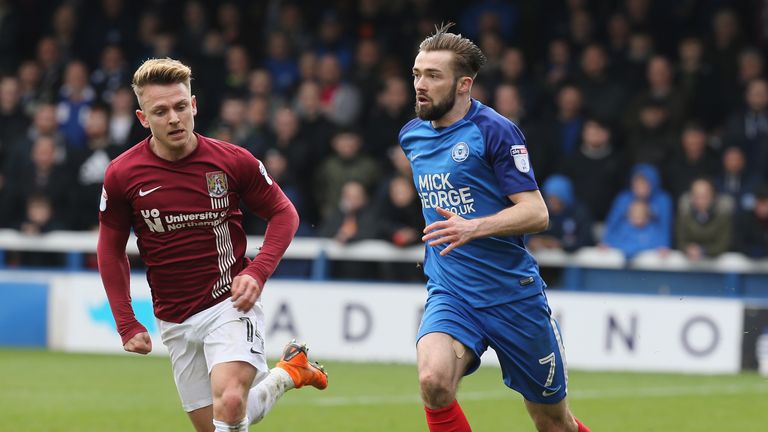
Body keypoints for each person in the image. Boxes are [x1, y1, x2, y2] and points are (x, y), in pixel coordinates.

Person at [96, 58, 327, 432]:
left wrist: (257, 272)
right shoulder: (123, 174)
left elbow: (285, 214)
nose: (174, 118)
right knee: (218, 421)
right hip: (174, 316)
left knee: (231, 400)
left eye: (180, 106)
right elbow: (109, 248)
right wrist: (125, 321)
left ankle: (282, 373)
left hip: (229, 302)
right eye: (161, 111)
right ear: (142, 118)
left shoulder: (232, 161)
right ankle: (288, 374)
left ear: (194, 105)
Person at [400, 24, 590, 432]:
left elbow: (537, 213)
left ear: (464, 84)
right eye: (417, 73)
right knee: (433, 382)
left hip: (511, 296)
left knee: (554, 423)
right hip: (452, 292)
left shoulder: (495, 131)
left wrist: (473, 228)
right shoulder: (411, 136)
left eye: (433, 76)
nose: (420, 84)